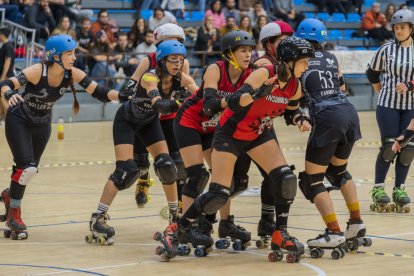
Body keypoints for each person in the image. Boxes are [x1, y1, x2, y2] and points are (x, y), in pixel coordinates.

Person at [163, 36, 313, 261]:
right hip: (231, 132)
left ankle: (280, 233)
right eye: (304, 61)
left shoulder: (294, 85)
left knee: (286, 178)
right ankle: (176, 230)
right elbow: (233, 101)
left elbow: (294, 108)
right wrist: (254, 94)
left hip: (257, 133)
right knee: (219, 193)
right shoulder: (264, 73)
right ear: (290, 61)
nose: (307, 66)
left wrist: (300, 118)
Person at [0, 34, 125, 240]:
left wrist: (123, 96)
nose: (74, 57)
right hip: (19, 120)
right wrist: (8, 94)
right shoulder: (37, 71)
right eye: (69, 53)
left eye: (74, 52)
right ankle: (14, 214)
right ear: (55, 56)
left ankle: (9, 195)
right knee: (26, 168)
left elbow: (99, 92)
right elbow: (6, 83)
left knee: (28, 171)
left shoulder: (72, 73)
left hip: (42, 124)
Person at [87, 40, 198, 248]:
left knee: (167, 166)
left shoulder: (181, 78)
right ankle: (98, 217)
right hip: (127, 122)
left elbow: (200, 95)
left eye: (181, 60)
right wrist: (182, 102)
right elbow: (163, 106)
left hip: (148, 123)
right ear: (162, 61)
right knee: (126, 172)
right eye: (173, 60)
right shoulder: (149, 77)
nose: (178, 64)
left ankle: (175, 218)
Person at [173, 30, 258, 255]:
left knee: (224, 181)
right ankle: (187, 226)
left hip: (214, 127)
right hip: (190, 121)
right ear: (230, 53)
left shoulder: (251, 73)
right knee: (198, 175)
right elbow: (208, 105)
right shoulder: (216, 68)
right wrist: (236, 100)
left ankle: (225, 223)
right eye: (243, 50)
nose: (248, 54)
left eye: (250, 50)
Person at [296, 18, 371, 257]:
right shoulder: (331, 57)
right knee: (338, 172)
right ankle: (356, 222)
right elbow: (342, 86)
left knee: (313, 180)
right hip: (349, 112)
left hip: (328, 116)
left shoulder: (299, 59)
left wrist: (299, 114)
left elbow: (295, 93)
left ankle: (334, 231)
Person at [124, 23, 189, 209]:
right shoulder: (148, 60)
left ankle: (180, 205)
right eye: (170, 42)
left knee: (177, 163)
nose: (174, 48)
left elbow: (186, 88)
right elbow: (132, 83)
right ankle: (143, 180)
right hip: (147, 116)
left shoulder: (183, 63)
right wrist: (129, 91)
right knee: (140, 162)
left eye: (177, 43)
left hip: (169, 117)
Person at [367, 9, 414, 213]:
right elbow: (372, 74)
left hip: (410, 107)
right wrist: (382, 92)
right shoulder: (386, 49)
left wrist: (409, 86)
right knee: (389, 147)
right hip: (388, 105)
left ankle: (399, 189)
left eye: (403, 27)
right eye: (396, 27)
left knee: (408, 148)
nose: (399, 30)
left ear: (411, 28)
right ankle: (378, 188)